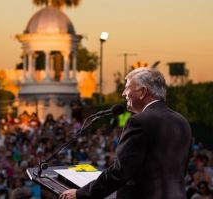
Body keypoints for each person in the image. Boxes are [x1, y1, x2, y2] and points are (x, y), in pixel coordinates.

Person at [60, 67, 192, 199]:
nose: (123, 93)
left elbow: (120, 172)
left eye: (127, 88)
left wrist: (80, 193)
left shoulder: (139, 121)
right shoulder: (182, 121)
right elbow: (181, 171)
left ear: (142, 92)